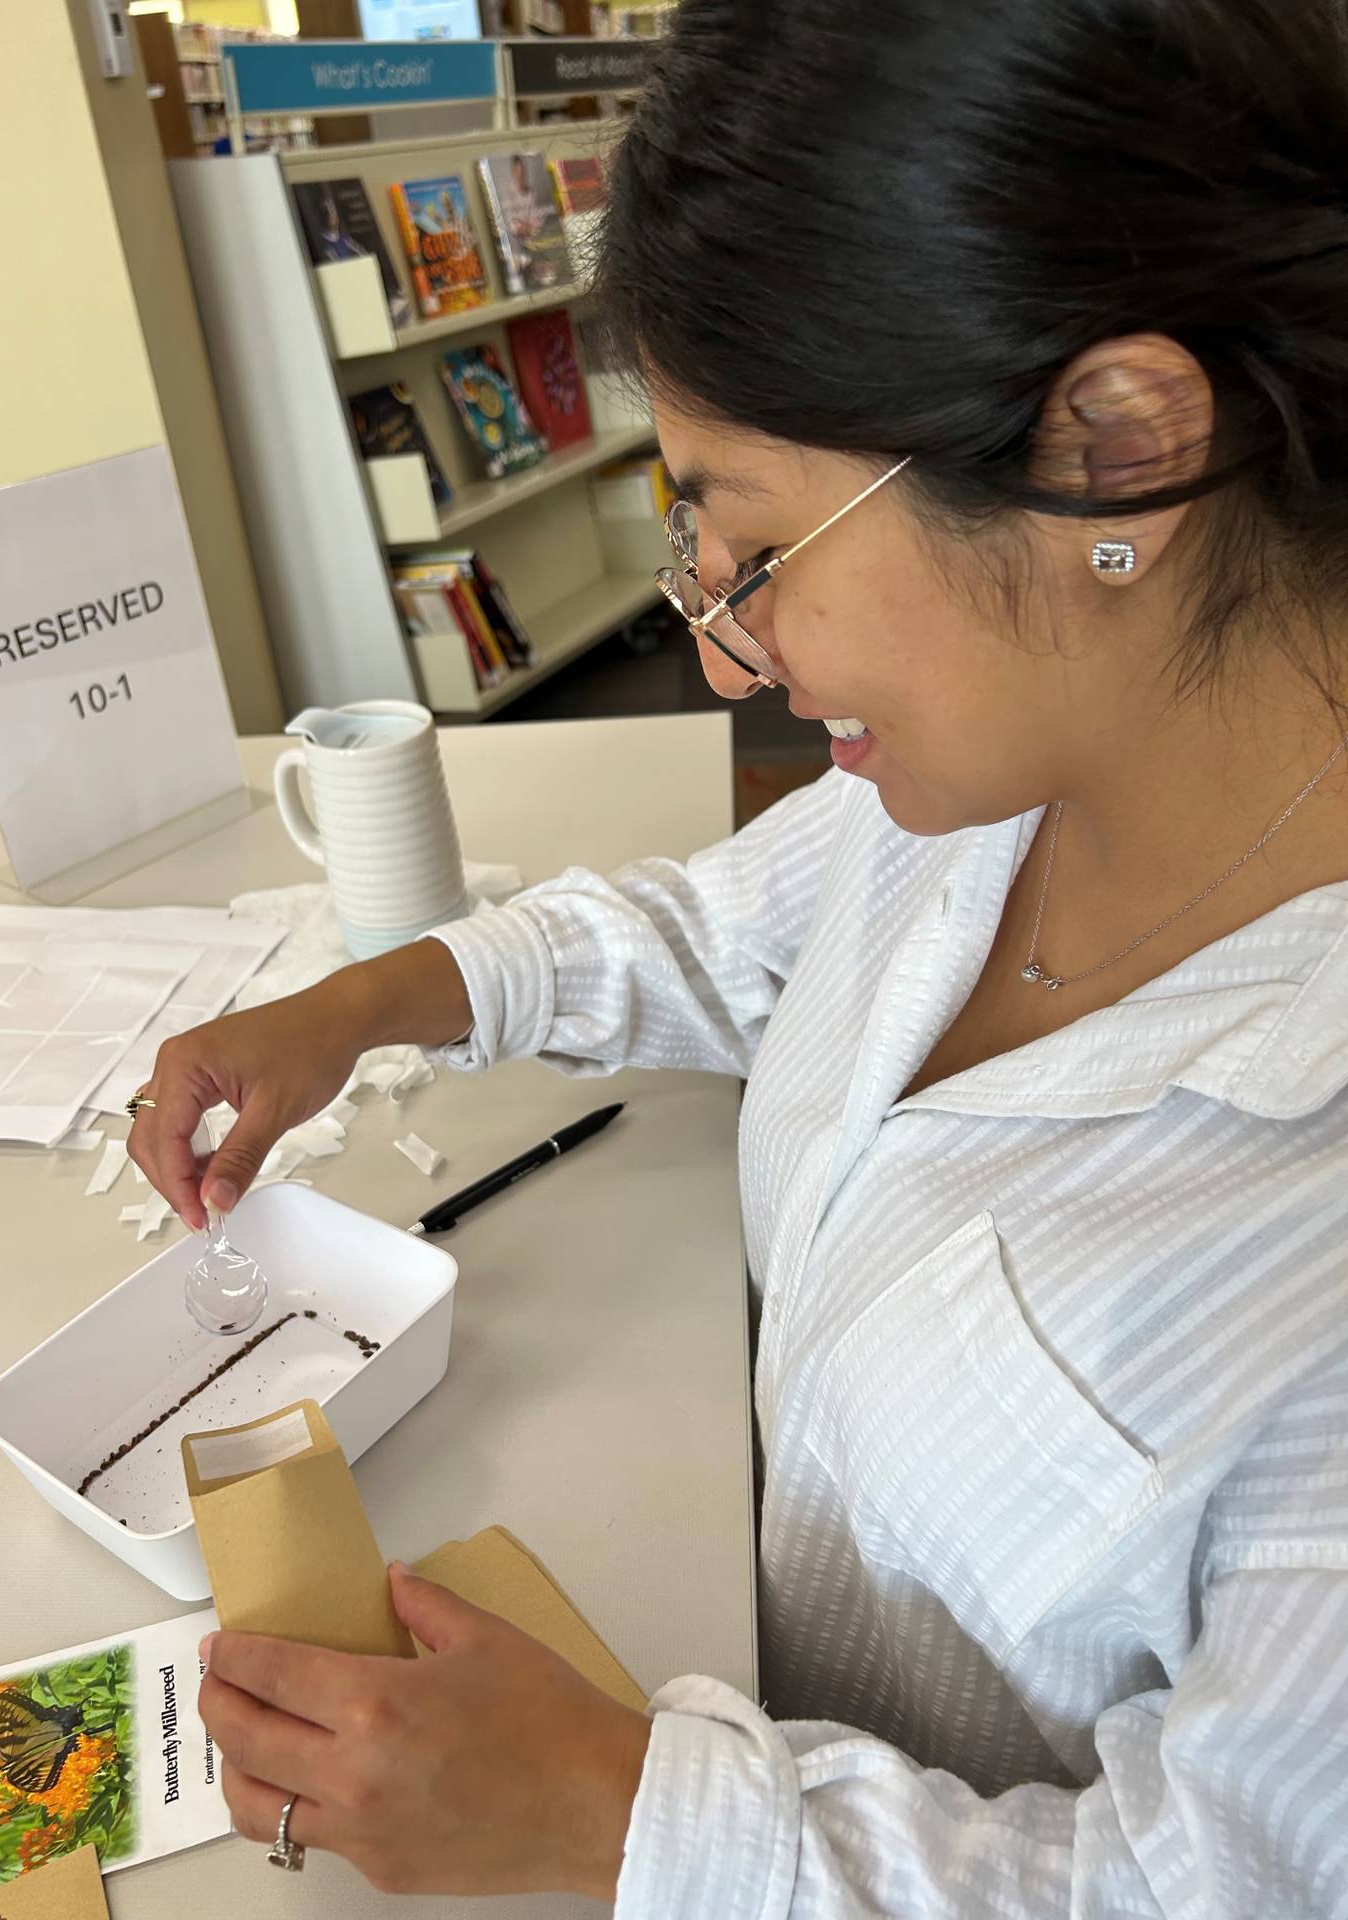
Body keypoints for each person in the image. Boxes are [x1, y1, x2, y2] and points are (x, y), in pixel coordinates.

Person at [129, 0, 1348, 1910]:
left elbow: (1229, 1879)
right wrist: (370, 1002)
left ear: (1113, 447)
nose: (717, 657)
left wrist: (619, 1821)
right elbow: (723, 927)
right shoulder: (992, 779)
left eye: (754, 554)